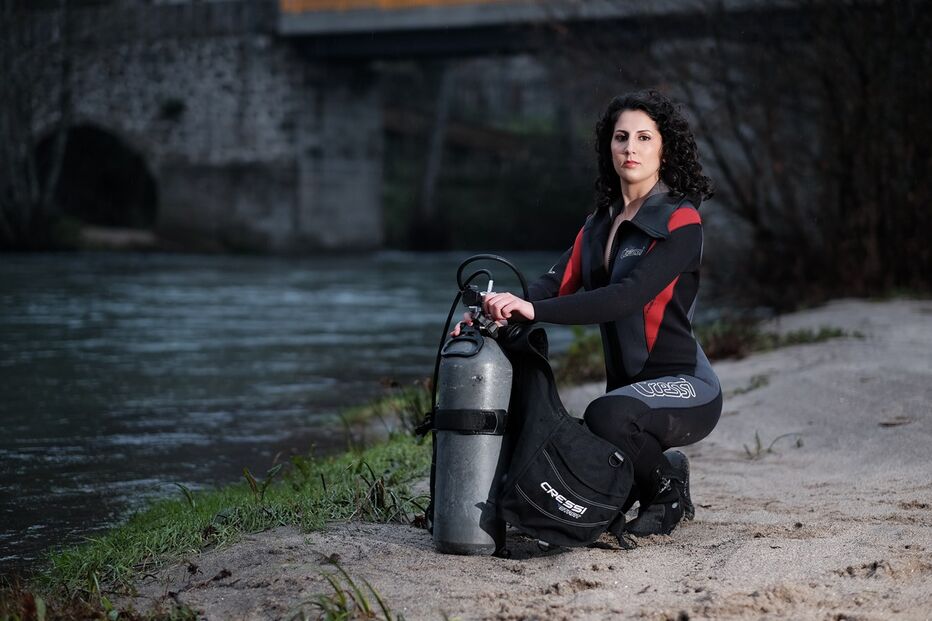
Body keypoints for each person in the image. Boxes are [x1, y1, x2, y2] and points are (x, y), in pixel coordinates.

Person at [455, 90, 722, 537]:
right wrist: (500, 306)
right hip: (628, 395)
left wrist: (533, 310)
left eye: (643, 137)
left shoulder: (681, 220)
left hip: (687, 387)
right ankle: (662, 468)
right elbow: (553, 283)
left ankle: (667, 486)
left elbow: (626, 296)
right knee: (591, 441)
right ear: (609, 148)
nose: (630, 148)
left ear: (664, 148)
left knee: (606, 415)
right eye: (621, 138)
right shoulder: (599, 224)